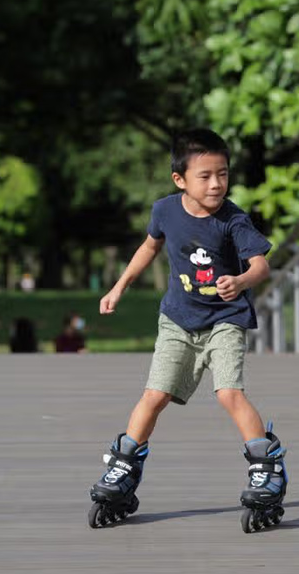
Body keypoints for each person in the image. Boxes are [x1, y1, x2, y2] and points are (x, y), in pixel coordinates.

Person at [88, 128, 287, 528]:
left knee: (229, 393)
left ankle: (267, 468)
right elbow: (149, 246)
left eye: (224, 174)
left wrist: (241, 282)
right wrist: (118, 287)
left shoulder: (233, 219)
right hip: (178, 319)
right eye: (206, 175)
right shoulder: (165, 211)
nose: (216, 183)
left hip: (224, 321)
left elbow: (261, 265)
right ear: (180, 179)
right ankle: (124, 466)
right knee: (154, 395)